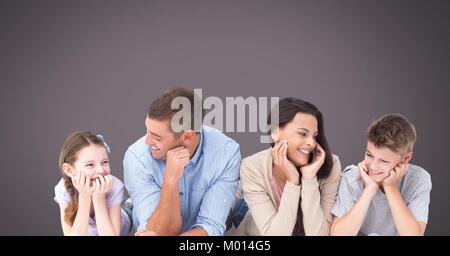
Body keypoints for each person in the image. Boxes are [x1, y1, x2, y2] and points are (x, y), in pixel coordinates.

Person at [124, 86, 241, 236]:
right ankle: (130, 208)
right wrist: (170, 180)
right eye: (147, 131)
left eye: (157, 137)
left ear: (187, 136)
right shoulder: (137, 156)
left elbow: (210, 227)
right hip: (153, 223)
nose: (147, 141)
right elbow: (156, 232)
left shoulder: (226, 153)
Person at [237, 97, 341, 235]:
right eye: (302, 133)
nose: (311, 143)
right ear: (275, 133)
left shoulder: (330, 164)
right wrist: (293, 181)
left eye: (314, 136)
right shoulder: (252, 167)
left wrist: (309, 178)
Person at [330, 114, 432, 236]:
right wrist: (369, 189)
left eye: (384, 161)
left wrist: (391, 187)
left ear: (406, 158)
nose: (373, 166)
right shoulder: (352, 177)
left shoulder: (418, 180)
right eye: (369, 155)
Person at [54, 131, 131, 236]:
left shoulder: (114, 185)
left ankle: (131, 204)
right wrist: (85, 197)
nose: (100, 170)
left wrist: (99, 198)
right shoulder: (64, 189)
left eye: (104, 162)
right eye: (90, 164)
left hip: (124, 218)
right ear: (69, 170)